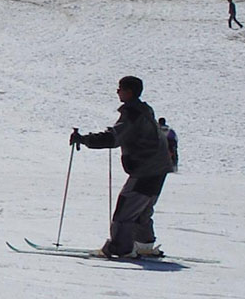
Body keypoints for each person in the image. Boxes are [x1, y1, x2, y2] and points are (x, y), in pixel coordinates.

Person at [70, 76, 174, 258]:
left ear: (129, 92)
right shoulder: (144, 110)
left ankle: (121, 248)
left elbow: (113, 138)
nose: (117, 92)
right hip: (159, 167)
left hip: (145, 169)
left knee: (126, 209)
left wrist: (84, 139)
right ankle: (144, 245)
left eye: (120, 89)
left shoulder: (132, 114)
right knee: (142, 209)